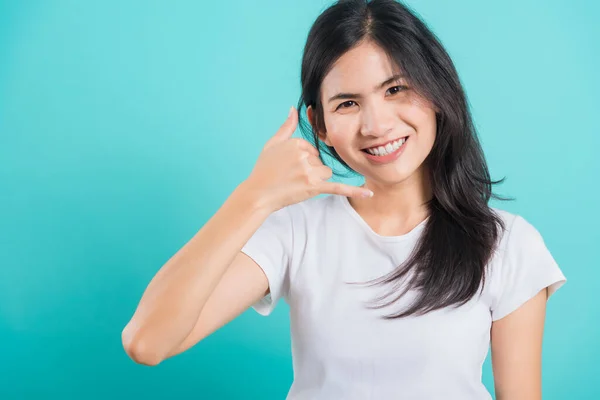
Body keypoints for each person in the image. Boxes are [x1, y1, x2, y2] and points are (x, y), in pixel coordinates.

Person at [121, 0, 567, 398]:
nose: (376, 124)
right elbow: (148, 342)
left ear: (437, 92)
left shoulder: (506, 244)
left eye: (396, 90)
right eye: (347, 103)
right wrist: (253, 195)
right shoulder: (296, 231)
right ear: (319, 125)